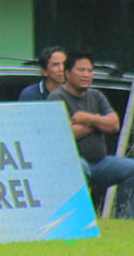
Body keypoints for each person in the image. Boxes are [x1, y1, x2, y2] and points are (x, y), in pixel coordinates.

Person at [47, 50, 134, 219]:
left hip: (100, 162)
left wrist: (87, 119)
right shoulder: (56, 98)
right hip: (68, 162)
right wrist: (98, 123)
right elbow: (63, 135)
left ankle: (125, 219)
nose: (86, 75)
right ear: (67, 73)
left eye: (90, 70)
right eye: (81, 70)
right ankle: (78, 220)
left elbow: (114, 124)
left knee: (131, 169)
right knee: (82, 168)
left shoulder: (96, 96)